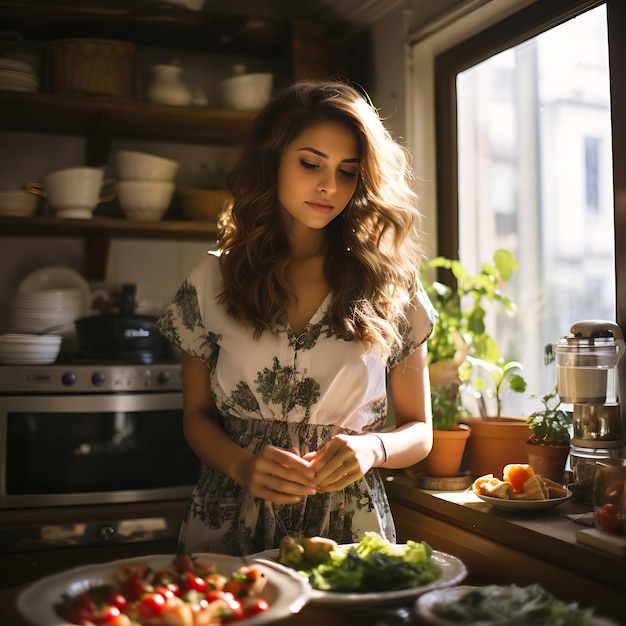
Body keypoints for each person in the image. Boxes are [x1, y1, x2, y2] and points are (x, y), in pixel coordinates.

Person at [156, 79, 437, 557]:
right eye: (311, 164)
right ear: (273, 161)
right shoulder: (213, 278)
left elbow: (420, 430)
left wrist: (375, 450)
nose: (329, 186)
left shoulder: (392, 284)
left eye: (348, 172)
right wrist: (243, 467)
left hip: (348, 525)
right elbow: (196, 417)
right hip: (230, 516)